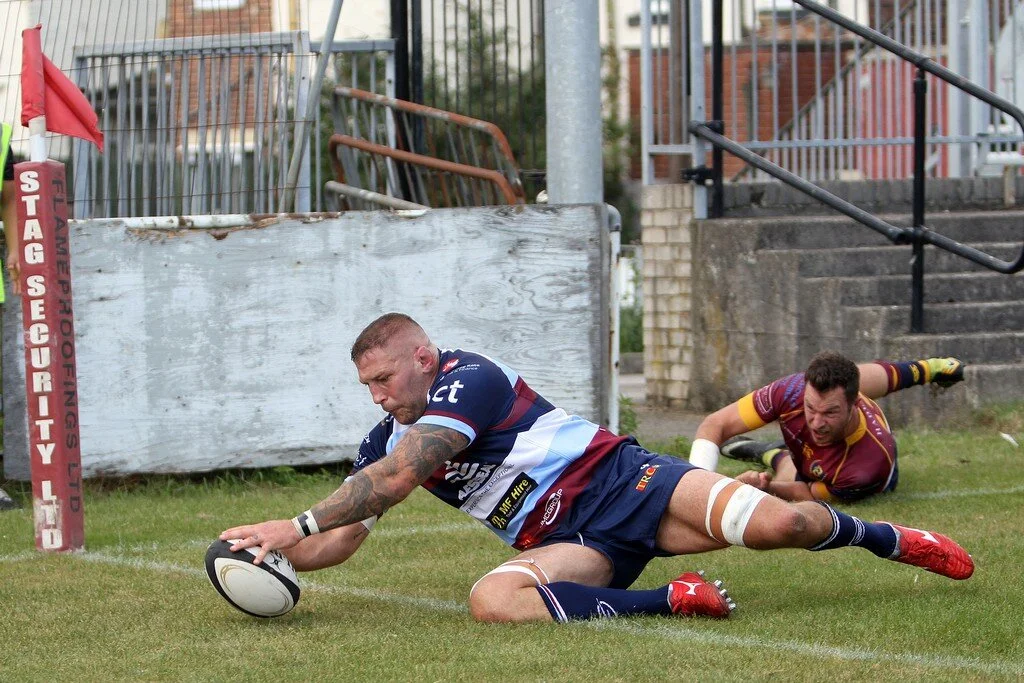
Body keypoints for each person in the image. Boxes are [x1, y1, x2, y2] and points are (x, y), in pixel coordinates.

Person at [221, 313, 974, 624]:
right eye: (368, 390)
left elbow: (394, 479)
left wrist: (295, 520)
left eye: (386, 380)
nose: (381, 397)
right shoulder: (388, 432)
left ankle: (889, 538)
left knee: (785, 522)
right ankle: (670, 600)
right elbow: (345, 538)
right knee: (493, 601)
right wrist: (278, 550)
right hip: (575, 541)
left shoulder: (467, 380)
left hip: (625, 480)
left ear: (424, 357)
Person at [689, 351, 964, 503]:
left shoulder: (865, 467)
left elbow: (808, 493)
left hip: (864, 471)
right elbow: (715, 423)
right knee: (856, 373)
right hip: (827, 433)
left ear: (855, 403)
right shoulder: (792, 390)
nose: (817, 422)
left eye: (830, 412)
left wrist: (764, 488)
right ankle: (930, 368)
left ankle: (773, 455)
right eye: (810, 408)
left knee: (800, 476)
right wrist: (696, 488)